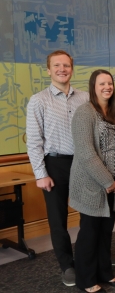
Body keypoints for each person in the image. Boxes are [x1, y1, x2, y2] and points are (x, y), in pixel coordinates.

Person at [26, 50, 89, 286]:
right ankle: (67, 265)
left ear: (72, 69)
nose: (62, 69)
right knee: (58, 219)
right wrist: (41, 174)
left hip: (83, 163)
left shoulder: (84, 98)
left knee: (89, 214)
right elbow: (34, 141)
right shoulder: (38, 100)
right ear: (48, 69)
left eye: (66, 65)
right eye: (57, 65)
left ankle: (86, 258)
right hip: (54, 165)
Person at [69, 70, 115, 293]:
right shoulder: (85, 113)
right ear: (93, 87)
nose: (107, 87)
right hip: (92, 185)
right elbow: (86, 152)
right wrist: (107, 181)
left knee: (106, 231)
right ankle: (85, 279)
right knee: (89, 232)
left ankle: (105, 272)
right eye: (102, 83)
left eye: (110, 83)